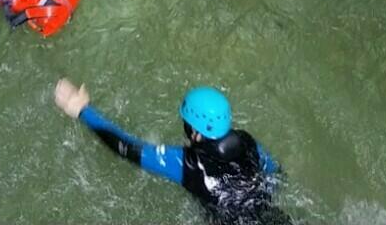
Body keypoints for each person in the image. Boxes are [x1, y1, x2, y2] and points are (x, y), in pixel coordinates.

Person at [54, 80, 289, 225]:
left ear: (195, 131)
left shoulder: (184, 162)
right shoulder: (247, 142)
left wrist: (82, 110)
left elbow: (125, 147)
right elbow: (276, 173)